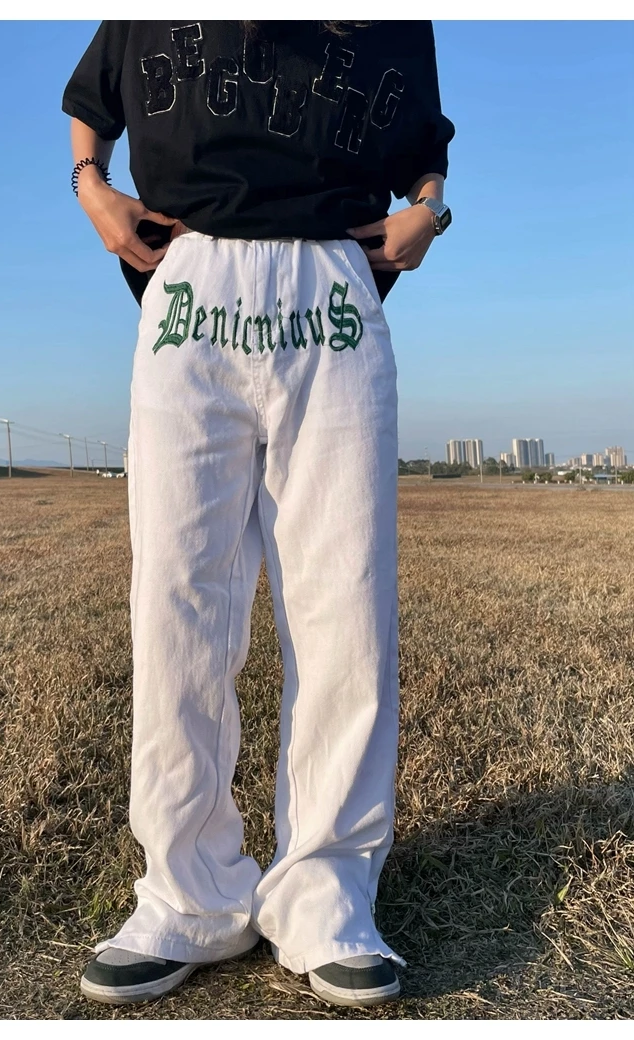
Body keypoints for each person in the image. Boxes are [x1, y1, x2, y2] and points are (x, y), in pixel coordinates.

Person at [62, 19, 454, 1009]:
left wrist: (427, 212)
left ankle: (327, 895)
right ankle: (186, 892)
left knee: (344, 601)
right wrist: (91, 187)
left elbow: (424, 140)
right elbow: (93, 98)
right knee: (178, 600)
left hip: (333, 280)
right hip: (192, 279)